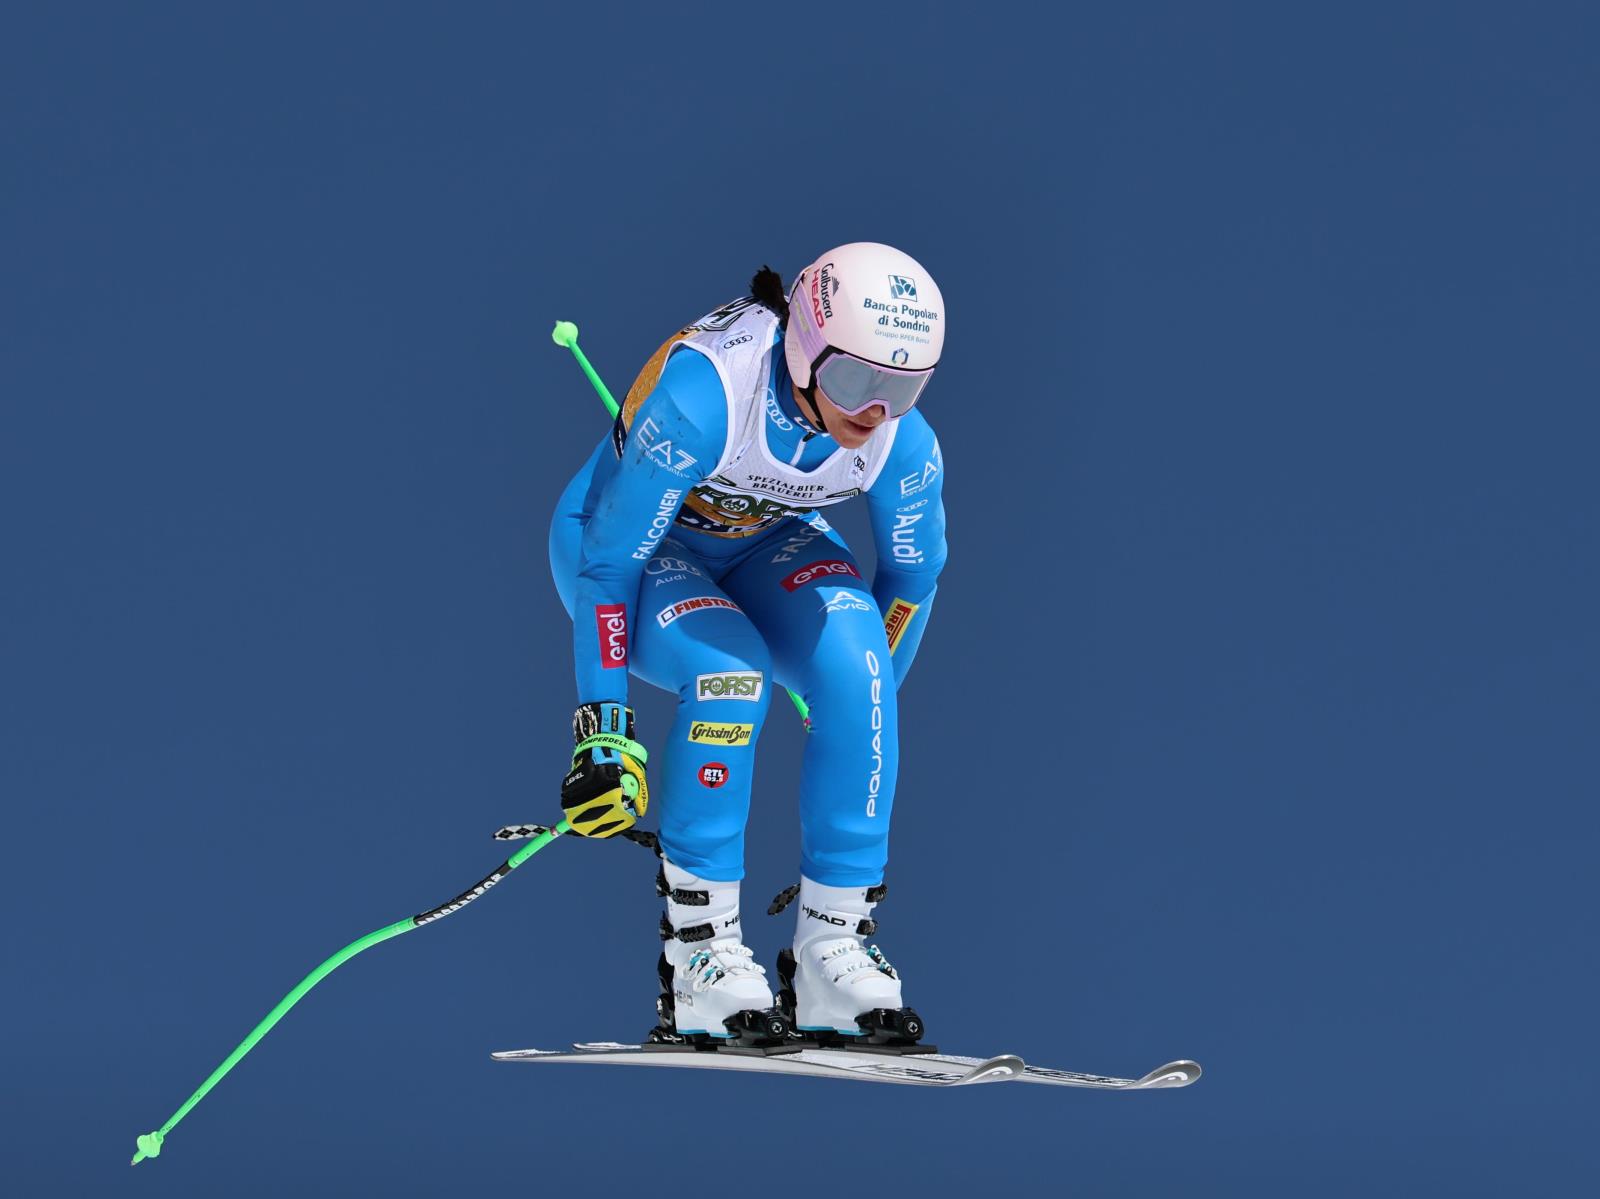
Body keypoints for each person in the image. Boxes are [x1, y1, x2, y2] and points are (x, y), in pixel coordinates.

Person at [549, 242, 948, 1046]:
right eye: (854, 381)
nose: (874, 411)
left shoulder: (898, 443)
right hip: (637, 556)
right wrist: (604, 732)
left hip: (765, 542)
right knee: (731, 673)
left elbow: (913, 576)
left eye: (902, 388)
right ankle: (699, 953)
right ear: (804, 348)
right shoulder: (706, 397)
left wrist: (857, 704)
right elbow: (609, 564)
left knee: (861, 669)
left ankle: (834, 945)